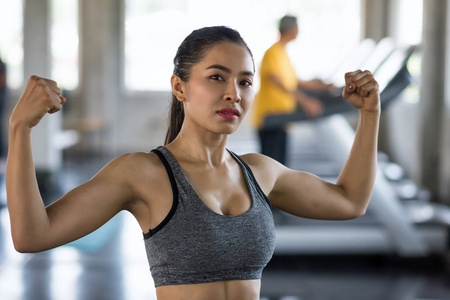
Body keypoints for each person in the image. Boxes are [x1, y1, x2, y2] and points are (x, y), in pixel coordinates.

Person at [6, 26, 380, 300]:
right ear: (180, 87)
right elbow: (31, 236)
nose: (233, 92)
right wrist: (20, 128)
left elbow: (350, 201)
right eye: (217, 77)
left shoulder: (260, 172)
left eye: (245, 82)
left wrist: (370, 114)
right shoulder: (144, 173)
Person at [252, 15, 339, 165]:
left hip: (283, 118)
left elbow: (296, 82)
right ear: (291, 29)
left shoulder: (283, 53)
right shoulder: (272, 53)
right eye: (297, 28)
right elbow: (277, 82)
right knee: (270, 166)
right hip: (270, 117)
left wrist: (323, 86)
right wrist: (304, 100)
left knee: (281, 165)